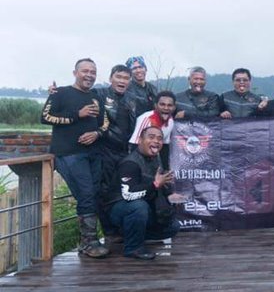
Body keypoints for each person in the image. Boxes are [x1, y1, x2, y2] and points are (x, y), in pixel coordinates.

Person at [40, 59, 110, 258]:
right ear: (75, 73)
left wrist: (97, 133)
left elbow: (105, 123)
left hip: (94, 153)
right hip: (69, 153)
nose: (89, 75)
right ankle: (90, 242)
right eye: (85, 71)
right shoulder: (60, 93)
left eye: (93, 72)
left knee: (94, 194)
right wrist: (77, 114)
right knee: (86, 194)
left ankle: (86, 241)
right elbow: (45, 117)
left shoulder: (96, 97)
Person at [107, 126, 182, 260]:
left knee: (173, 226)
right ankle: (133, 248)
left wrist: (169, 195)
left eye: (159, 138)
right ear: (140, 140)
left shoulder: (156, 158)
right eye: (151, 137)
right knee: (139, 206)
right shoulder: (130, 163)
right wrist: (155, 185)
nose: (156, 141)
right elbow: (128, 195)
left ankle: (132, 235)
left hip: (144, 207)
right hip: (119, 209)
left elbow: (157, 187)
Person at [93, 65, 137, 241]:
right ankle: (109, 232)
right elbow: (76, 95)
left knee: (124, 190)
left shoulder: (133, 99)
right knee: (103, 191)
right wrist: (55, 93)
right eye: (118, 77)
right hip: (104, 150)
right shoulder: (99, 94)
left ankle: (122, 229)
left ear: (130, 81)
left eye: (126, 78)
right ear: (111, 78)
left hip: (125, 152)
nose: (122, 81)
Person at [130, 91, 176, 169]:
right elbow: (135, 145)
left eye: (169, 105)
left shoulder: (171, 121)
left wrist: (166, 169)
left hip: (153, 158)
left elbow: (164, 147)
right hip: (137, 159)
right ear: (155, 106)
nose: (166, 108)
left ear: (174, 107)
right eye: (162, 104)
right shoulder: (146, 118)